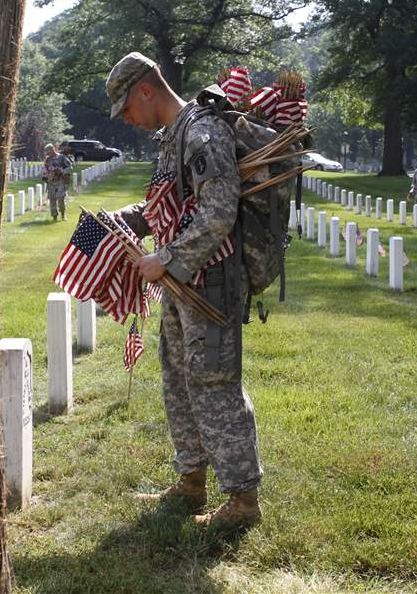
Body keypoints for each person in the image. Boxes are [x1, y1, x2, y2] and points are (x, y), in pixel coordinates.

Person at [107, 52, 262, 530]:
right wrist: (133, 218)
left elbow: (218, 213)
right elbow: (173, 201)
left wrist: (166, 258)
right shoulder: (172, 136)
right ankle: (192, 477)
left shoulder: (202, 133)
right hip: (181, 283)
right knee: (178, 379)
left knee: (214, 384)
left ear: (146, 90)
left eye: (127, 107)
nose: (127, 119)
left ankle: (242, 501)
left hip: (209, 283)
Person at [42, 143, 73, 221]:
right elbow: (45, 169)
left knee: (61, 198)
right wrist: (45, 176)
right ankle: (54, 216)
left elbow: (69, 167)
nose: (48, 154)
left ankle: (63, 214)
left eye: (49, 152)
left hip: (60, 181)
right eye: (47, 152)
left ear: (53, 149)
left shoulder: (61, 158)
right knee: (52, 200)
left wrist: (61, 171)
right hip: (51, 182)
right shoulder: (47, 160)